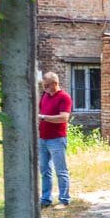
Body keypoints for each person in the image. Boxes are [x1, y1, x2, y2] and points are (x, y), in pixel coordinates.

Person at [38, 72, 72, 208]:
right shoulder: (45, 96)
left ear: (55, 83)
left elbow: (64, 117)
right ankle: (45, 199)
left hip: (57, 139)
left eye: (46, 86)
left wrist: (43, 117)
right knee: (45, 170)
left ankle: (64, 199)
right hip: (43, 139)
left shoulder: (64, 97)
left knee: (61, 170)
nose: (44, 88)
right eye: (43, 85)